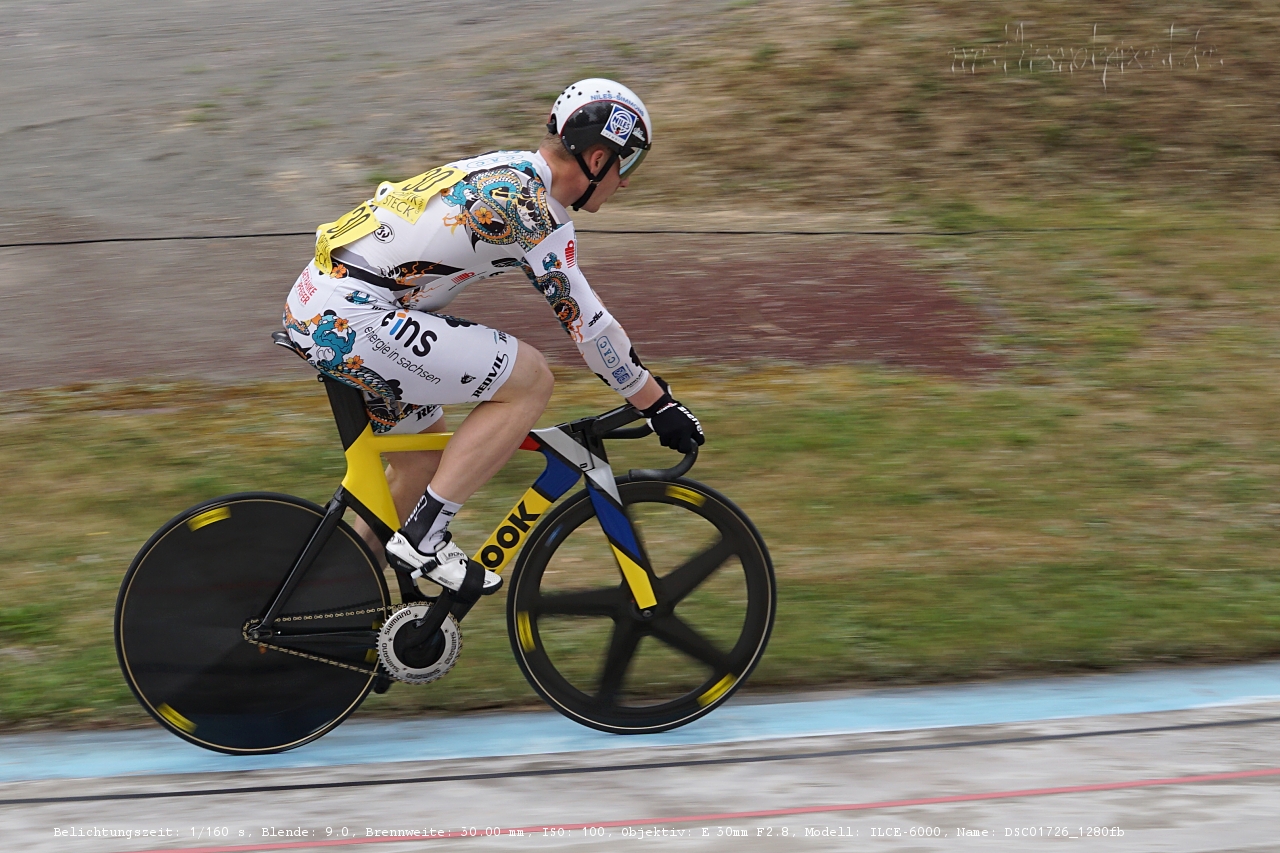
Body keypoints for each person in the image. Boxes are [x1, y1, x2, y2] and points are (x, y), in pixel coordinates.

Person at [282, 78, 703, 596]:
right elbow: (590, 328)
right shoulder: (532, 207)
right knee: (529, 379)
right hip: (350, 315)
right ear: (597, 159)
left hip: (329, 304)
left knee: (422, 464)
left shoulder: (513, 170)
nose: (627, 182)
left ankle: (328, 596)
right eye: (627, 164)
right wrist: (658, 404)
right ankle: (424, 538)